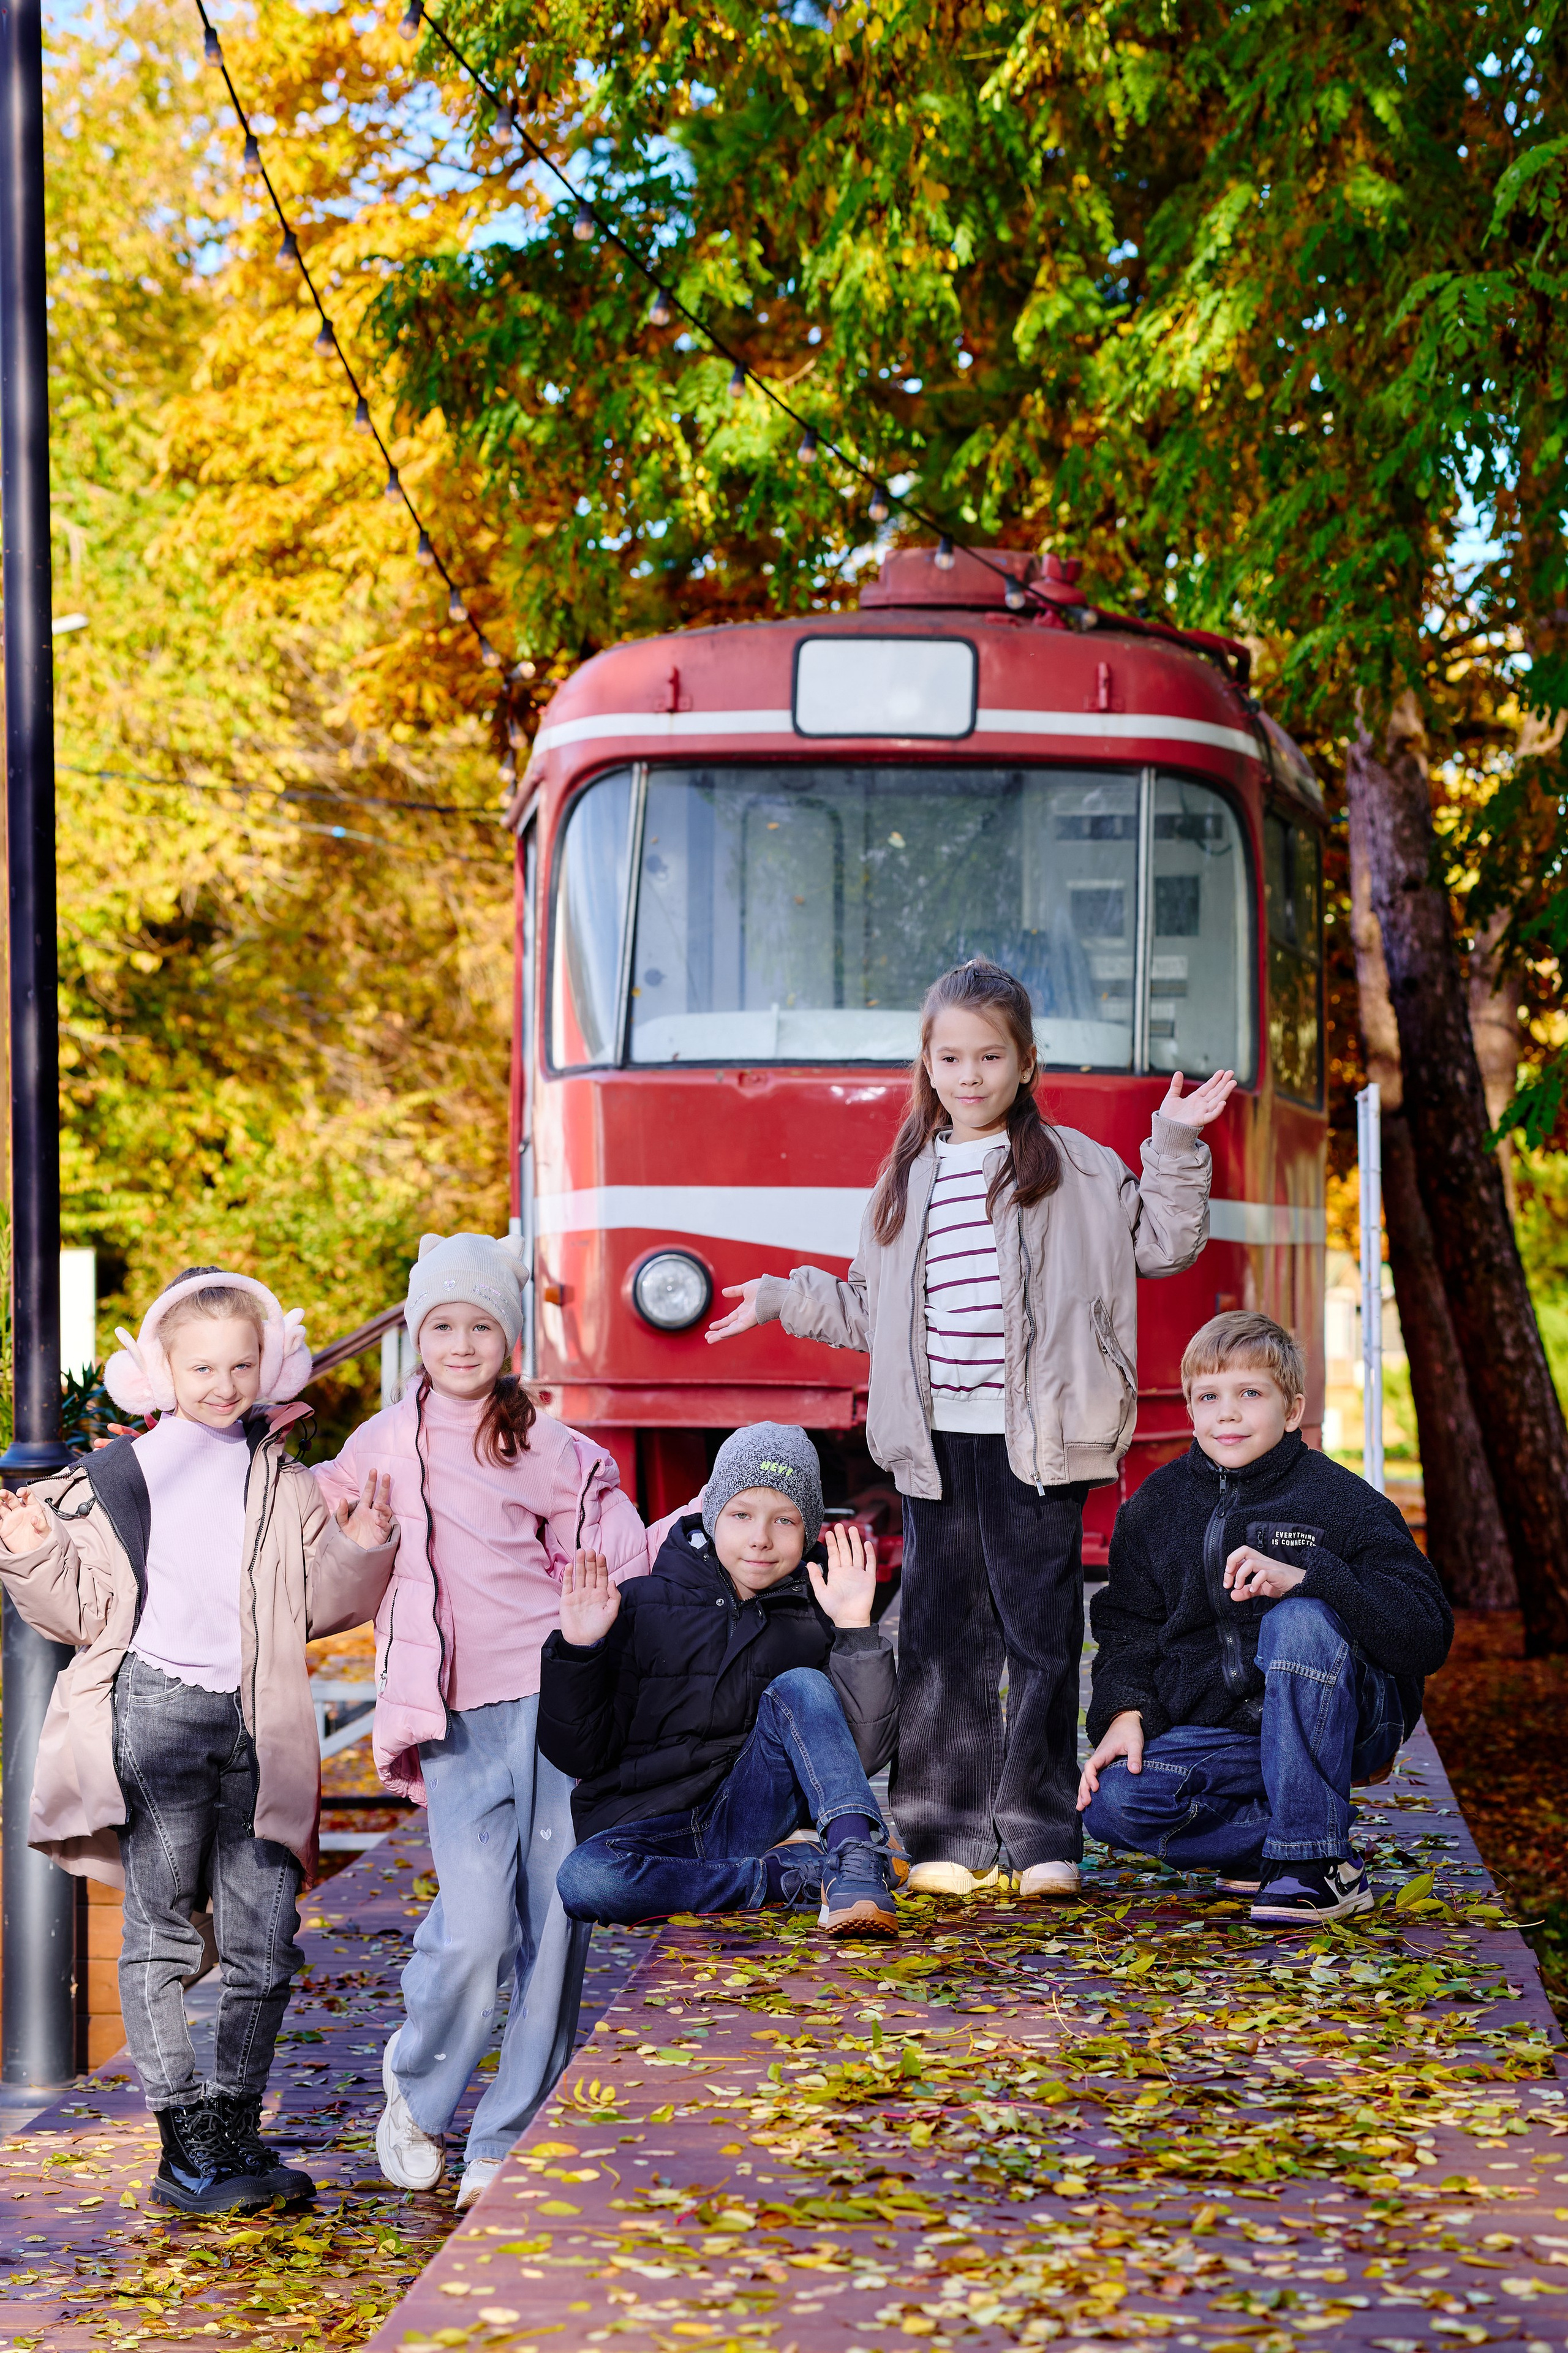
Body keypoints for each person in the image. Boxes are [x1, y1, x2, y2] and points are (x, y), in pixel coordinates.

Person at [706, 957, 1228, 1898]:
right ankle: (942, 1827)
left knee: (1038, 1634)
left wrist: (1176, 1141)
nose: (971, 1075)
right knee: (946, 1638)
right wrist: (787, 1296)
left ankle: (1038, 1834)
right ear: (929, 1063)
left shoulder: (1075, 1168)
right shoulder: (905, 1176)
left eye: (991, 1056)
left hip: (1042, 1439)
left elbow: (1165, 1240)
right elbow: (872, 1310)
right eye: (952, 1057)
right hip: (936, 1441)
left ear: (1028, 1062)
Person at [0, 1267, 397, 2215]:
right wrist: (28, 1548)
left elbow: (318, 1604)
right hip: (159, 1710)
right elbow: (75, 1612)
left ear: (268, 1367)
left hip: (260, 1719)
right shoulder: (111, 1479)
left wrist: (364, 1544)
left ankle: (232, 2128)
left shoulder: (286, 1478)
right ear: (160, 1371)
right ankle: (183, 2140)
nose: (224, 1384)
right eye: (203, 1366)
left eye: (242, 1364)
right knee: (166, 1927)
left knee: (267, 1942)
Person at [312, 1232, 649, 2212]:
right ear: (419, 1335)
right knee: (473, 1927)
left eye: (481, 1325)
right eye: (442, 1325)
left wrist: (597, 1599)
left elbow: (607, 1540)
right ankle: (416, 2091)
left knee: (554, 1915)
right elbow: (316, 1519)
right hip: (451, 1709)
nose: (461, 1343)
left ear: (508, 1337)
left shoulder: (547, 1442)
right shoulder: (382, 1441)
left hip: (550, 1698)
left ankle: (508, 2127)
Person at [1078, 1309, 1454, 1925]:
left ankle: (1312, 1866)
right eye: (1209, 1396)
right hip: (1223, 1737)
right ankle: (1292, 1844)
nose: (1227, 1412)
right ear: (1190, 1409)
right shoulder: (1155, 1506)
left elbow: (1425, 1632)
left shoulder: (1342, 1501)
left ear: (1291, 1409)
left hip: (1344, 1721)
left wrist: (1313, 1578)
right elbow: (1127, 1628)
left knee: (1298, 1619)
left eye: (1249, 1393)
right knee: (1112, 1805)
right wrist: (1123, 1712)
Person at [544, 1424, 902, 1937]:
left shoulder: (812, 1613)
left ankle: (859, 1864)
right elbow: (577, 1754)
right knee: (585, 1879)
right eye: (741, 1515)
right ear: (712, 1516)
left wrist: (853, 1630)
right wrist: (580, 1652)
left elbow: (860, 1754)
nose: (760, 1537)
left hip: (747, 1812)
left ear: (809, 1531)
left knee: (801, 1684)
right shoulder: (641, 1604)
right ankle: (788, 1879)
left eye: (784, 1520)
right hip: (645, 1831)